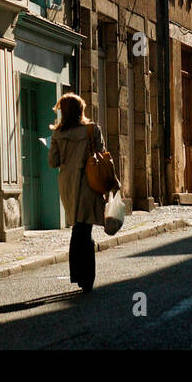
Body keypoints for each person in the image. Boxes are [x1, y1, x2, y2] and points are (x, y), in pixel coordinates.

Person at [48, 93, 108, 292]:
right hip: (89, 182)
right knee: (84, 229)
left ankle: (78, 274)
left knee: (77, 227)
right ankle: (86, 277)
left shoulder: (57, 135)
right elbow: (101, 153)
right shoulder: (92, 129)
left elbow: (52, 162)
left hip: (67, 184)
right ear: (81, 110)